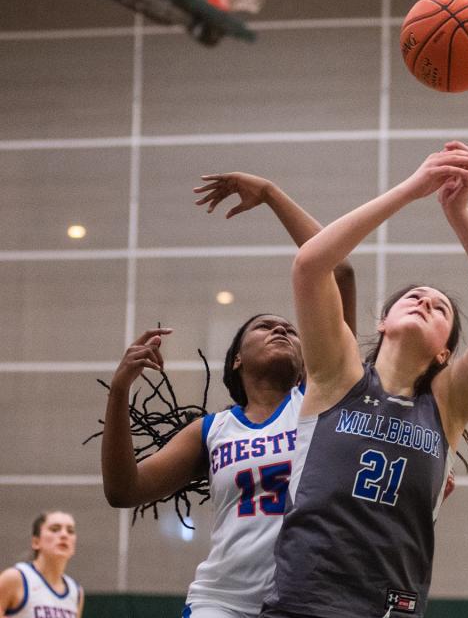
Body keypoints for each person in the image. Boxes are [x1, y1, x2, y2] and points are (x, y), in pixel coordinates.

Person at [261, 141, 468, 618]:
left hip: (390, 607)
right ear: (383, 322)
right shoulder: (338, 375)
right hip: (304, 602)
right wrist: (410, 190)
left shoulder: (447, 406)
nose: (425, 301)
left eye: (440, 307)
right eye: (412, 297)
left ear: (445, 350)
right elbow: (310, 264)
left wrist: (459, 216)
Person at [100, 174, 356, 618]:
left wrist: (273, 194)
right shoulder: (213, 430)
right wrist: (119, 389)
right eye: (265, 326)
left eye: (290, 329)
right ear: (236, 359)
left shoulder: (323, 398)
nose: (282, 328)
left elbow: (338, 269)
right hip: (221, 603)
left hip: (306, 602)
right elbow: (123, 490)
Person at [0, 511, 83, 618]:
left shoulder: (76, 591)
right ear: (36, 542)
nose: (64, 535)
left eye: (70, 531)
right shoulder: (15, 578)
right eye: (55, 529)